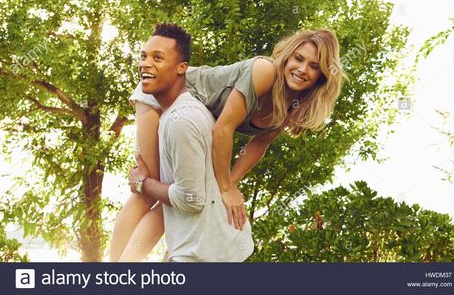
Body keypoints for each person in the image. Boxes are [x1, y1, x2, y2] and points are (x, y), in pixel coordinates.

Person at [110, 23, 347, 261]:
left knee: (172, 197)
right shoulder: (264, 72)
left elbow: (258, 145)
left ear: (322, 75)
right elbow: (223, 129)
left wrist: (229, 184)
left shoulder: (294, 106)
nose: (302, 69)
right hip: (160, 93)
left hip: (189, 119)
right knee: (147, 190)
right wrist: (225, 187)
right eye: (298, 58)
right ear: (287, 57)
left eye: (314, 66)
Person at [121, 23, 254, 262]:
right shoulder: (181, 111)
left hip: (205, 256)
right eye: (143, 56)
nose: (145, 63)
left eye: (158, 58)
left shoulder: (180, 120)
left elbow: (191, 199)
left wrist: (143, 183)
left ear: (182, 68)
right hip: (210, 248)